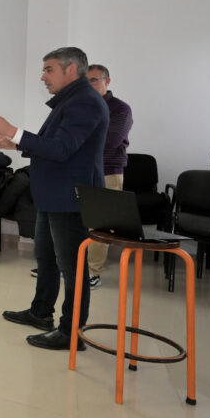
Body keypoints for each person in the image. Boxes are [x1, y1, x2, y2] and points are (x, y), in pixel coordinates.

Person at [0, 46, 108, 351]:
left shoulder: (85, 102)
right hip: (53, 195)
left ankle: (71, 331)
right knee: (46, 258)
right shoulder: (72, 100)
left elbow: (62, 149)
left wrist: (14, 131)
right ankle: (41, 312)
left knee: (71, 268)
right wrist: (16, 145)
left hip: (69, 198)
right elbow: (54, 144)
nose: (43, 77)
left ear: (71, 69)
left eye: (48, 69)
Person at [85, 64, 133, 289]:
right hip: (81, 171)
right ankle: (70, 266)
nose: (90, 85)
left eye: (94, 80)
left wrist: (77, 142)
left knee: (100, 224)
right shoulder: (81, 106)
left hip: (107, 171)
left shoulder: (120, 109)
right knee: (74, 221)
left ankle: (93, 272)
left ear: (107, 81)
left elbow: (110, 141)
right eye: (86, 81)